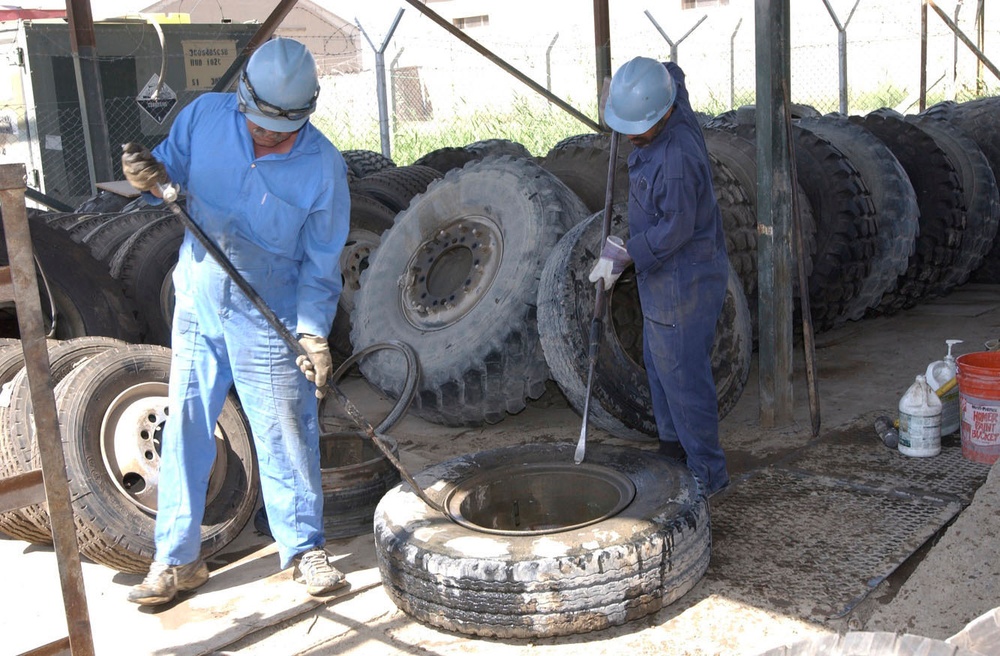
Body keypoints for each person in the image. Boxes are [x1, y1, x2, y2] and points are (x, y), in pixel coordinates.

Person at [120, 37, 351, 605]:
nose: (265, 136)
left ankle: (303, 550)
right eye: (258, 123)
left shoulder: (322, 168)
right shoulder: (203, 118)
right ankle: (176, 559)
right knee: (187, 428)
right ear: (242, 98)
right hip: (199, 299)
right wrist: (144, 176)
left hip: (268, 311)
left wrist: (313, 333)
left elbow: (323, 265)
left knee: (286, 432)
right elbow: (163, 181)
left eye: (280, 129)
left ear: (306, 114)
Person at [590, 56, 730, 496]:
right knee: (658, 363)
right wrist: (626, 87)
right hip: (667, 276)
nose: (629, 136)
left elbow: (676, 227)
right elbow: (674, 73)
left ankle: (708, 475)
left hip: (681, 277)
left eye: (636, 126)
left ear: (661, 115)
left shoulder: (675, 160)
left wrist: (626, 253)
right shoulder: (674, 103)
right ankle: (672, 447)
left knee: (683, 378)